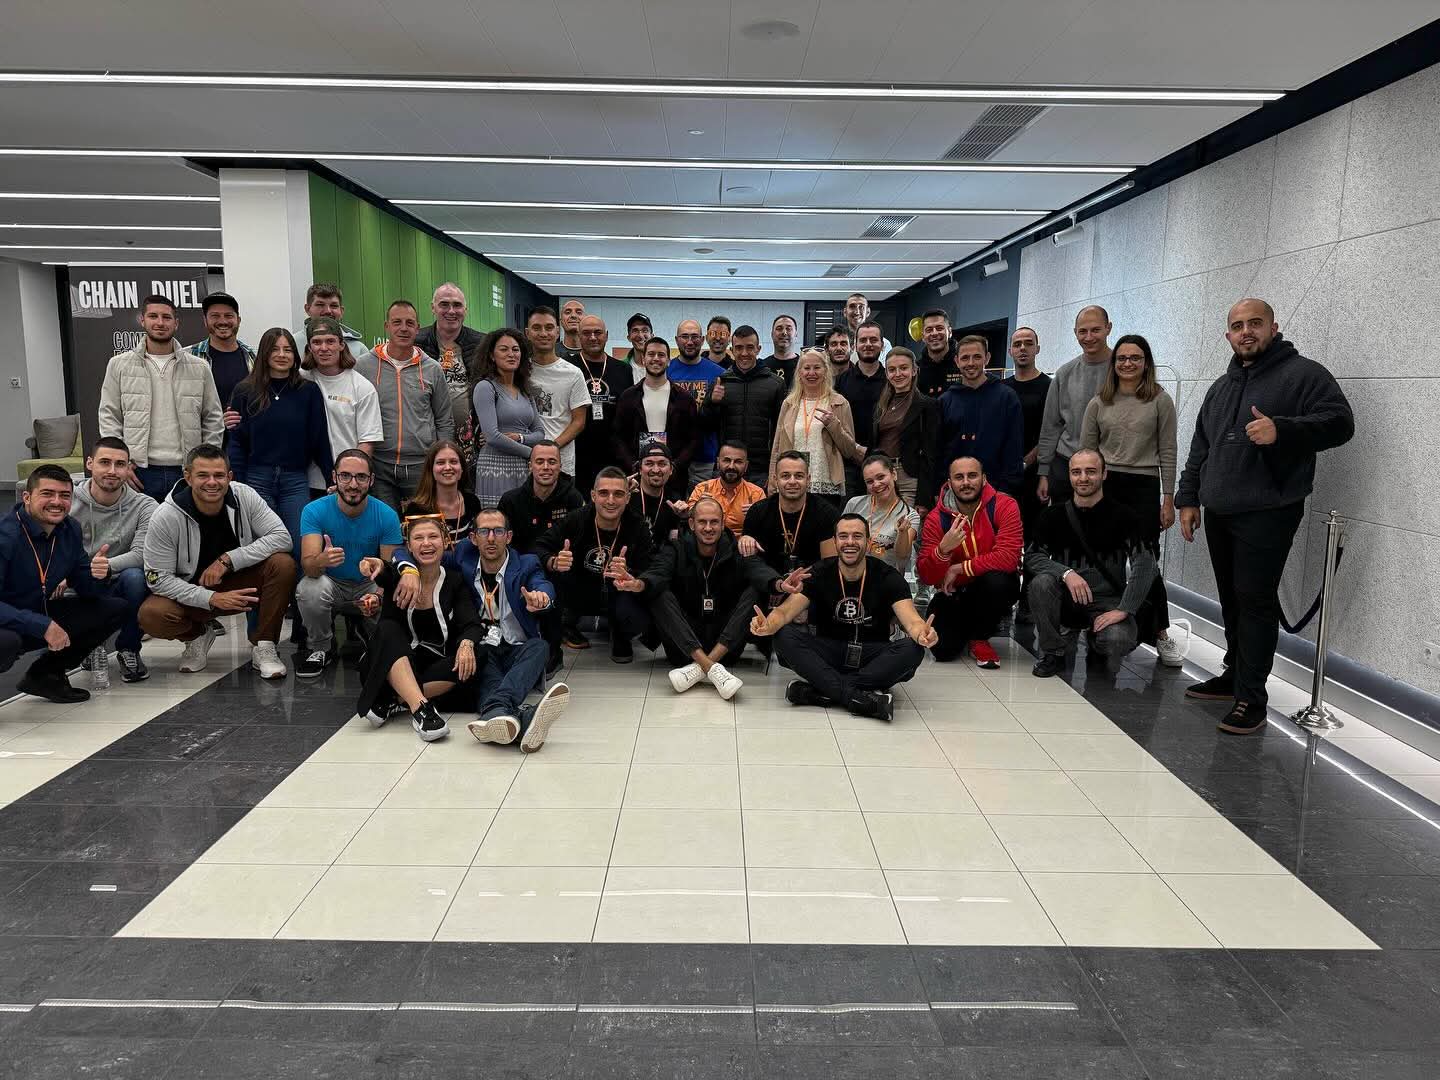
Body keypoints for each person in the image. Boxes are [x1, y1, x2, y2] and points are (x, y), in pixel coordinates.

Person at [1177, 298, 1353, 734]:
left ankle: (1251, 697)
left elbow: (1341, 423)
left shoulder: (1304, 375)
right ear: (1228, 335)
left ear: (1274, 328)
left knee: (1255, 601)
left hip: (1269, 510)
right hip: (1220, 510)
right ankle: (1234, 674)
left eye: (1255, 323)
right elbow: (1201, 447)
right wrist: (1188, 498)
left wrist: (1283, 429)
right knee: (1232, 599)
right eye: (1238, 326)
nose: (1246, 332)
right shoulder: (1221, 387)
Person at [753, 514, 935, 721]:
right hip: (828, 651)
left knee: (913, 648)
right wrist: (768, 624)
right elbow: (785, 612)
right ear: (835, 541)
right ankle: (859, 697)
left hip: (871, 654)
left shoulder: (887, 576)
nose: (850, 542)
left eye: (857, 536)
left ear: (868, 542)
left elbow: (912, 621)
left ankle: (822, 689)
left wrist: (923, 633)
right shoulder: (819, 572)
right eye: (843, 536)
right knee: (782, 635)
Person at [140, 444, 297, 679]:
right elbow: (158, 579)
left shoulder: (244, 495)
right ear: (188, 477)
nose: (212, 482)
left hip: (241, 585)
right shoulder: (166, 515)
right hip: (192, 591)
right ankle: (197, 636)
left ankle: (265, 646)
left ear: (229, 476)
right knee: (152, 615)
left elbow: (282, 537)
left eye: (219, 475)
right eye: (203, 475)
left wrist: (228, 560)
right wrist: (211, 598)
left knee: (282, 564)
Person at [1080, 333, 1183, 665]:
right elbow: (1086, 455)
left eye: (1135, 358)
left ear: (1146, 362)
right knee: (1103, 558)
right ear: (1114, 363)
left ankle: (1161, 633)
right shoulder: (1099, 402)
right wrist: (1085, 495)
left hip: (1143, 486)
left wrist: (1168, 498)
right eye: (1122, 358)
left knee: (1146, 562)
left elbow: (1168, 451)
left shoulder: (1160, 400)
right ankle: (1099, 623)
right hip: (1106, 486)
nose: (1127, 363)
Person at [614, 496, 777, 700]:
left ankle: (701, 667)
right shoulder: (675, 547)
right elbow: (658, 572)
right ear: (691, 524)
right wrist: (637, 584)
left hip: (726, 648)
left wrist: (779, 584)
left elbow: (758, 569)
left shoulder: (735, 549)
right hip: (682, 648)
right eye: (702, 522)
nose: (708, 528)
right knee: (659, 593)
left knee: (756, 590)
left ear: (723, 524)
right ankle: (709, 666)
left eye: (714, 522)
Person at [1026, 450, 1158, 679]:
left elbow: (1146, 564)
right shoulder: (1053, 515)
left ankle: (1099, 643)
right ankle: (1053, 651)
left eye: (1091, 472)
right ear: (1069, 475)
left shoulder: (1125, 516)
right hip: (1066, 597)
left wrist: (1124, 609)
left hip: (1107, 601)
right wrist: (1066, 573)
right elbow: (1033, 556)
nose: (1083, 478)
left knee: (1117, 639)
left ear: (1104, 474)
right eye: (1076, 472)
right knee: (1040, 584)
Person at [0, 466, 127, 703]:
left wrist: (98, 575)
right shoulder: (5, 536)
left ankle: (46, 676)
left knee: (114, 609)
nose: (57, 502)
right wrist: (42, 625)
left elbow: (87, 589)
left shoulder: (69, 530)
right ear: (27, 497)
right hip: (7, 621)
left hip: (37, 612)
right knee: (6, 642)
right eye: (47, 493)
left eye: (64, 495)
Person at [353, 516, 477, 743]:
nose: (426, 543)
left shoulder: (455, 580)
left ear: (445, 542)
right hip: (391, 661)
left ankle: (392, 698)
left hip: (432, 666)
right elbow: (385, 569)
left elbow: (471, 623)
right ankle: (421, 710)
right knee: (388, 629)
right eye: (418, 538)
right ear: (409, 547)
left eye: (433, 537)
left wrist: (467, 644)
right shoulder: (398, 575)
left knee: (476, 654)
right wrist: (376, 566)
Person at [455, 509, 570, 752]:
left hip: (517, 649)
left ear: (508, 536)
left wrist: (542, 598)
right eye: (484, 531)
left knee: (540, 647)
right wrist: (406, 568)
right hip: (484, 650)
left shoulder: (526, 564)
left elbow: (543, 584)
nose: (491, 538)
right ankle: (523, 717)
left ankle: (495, 712)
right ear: (473, 538)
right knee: (483, 658)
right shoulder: (462, 559)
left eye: (498, 531)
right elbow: (416, 554)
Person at [227, 328, 335, 573]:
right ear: (264, 353)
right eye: (275, 349)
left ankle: (301, 597)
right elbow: (237, 443)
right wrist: (238, 486)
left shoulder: (308, 391)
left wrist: (332, 478)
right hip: (257, 479)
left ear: (295, 355)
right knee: (265, 547)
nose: (282, 355)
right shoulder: (245, 390)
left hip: (295, 480)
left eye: (288, 349)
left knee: (301, 545)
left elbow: (319, 440)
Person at [99, 294, 224, 502]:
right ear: (142, 320)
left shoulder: (199, 367)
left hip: (186, 471)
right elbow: (109, 417)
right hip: (139, 472)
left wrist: (205, 465)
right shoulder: (119, 365)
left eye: (166, 317)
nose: (160, 322)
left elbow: (213, 418)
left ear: (176, 323)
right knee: (143, 524)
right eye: (153, 316)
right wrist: (120, 464)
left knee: (187, 524)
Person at [294, 449, 403, 676]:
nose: (353, 484)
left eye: (361, 477)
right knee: (309, 588)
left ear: (371, 480)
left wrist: (377, 596)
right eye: (345, 476)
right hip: (332, 583)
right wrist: (322, 559)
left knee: (396, 595)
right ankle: (321, 647)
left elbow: (389, 572)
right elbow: (309, 568)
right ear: (334, 477)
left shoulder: (387, 515)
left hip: (369, 584)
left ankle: (373, 640)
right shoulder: (314, 510)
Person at [534, 467, 654, 662]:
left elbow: (650, 568)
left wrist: (630, 573)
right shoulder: (576, 519)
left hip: (619, 593)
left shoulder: (638, 525)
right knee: (551, 577)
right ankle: (561, 633)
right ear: (593, 496)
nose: (610, 501)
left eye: (618, 494)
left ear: (627, 498)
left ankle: (621, 634)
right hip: (580, 589)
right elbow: (539, 546)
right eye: (604, 493)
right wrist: (553, 561)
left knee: (638, 597)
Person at [916, 456, 1023, 668]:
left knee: (999, 582)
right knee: (943, 650)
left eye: (972, 476)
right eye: (959, 477)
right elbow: (926, 576)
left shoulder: (1004, 505)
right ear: (949, 483)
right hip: (954, 593)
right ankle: (968, 628)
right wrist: (942, 551)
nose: (966, 482)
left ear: (984, 479)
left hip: (989, 587)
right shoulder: (936, 518)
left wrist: (960, 568)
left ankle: (979, 637)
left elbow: (1009, 557)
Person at [72, 437, 156, 684]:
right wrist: (80, 572)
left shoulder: (145, 505)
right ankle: (88, 645)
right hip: (77, 581)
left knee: (136, 578)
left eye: (120, 464)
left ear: (129, 468)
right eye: (104, 462)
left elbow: (141, 554)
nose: (112, 470)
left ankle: (129, 649)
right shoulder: (69, 500)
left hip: (118, 579)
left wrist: (105, 566)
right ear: (90, 463)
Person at [362, 300, 455, 509]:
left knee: (424, 523)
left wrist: (443, 458)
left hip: (421, 465)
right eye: (397, 322)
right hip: (380, 465)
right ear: (387, 326)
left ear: (417, 328)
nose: (403, 328)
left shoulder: (432, 369)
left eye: (409, 323)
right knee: (387, 525)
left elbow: (444, 420)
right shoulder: (364, 366)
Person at [299, 315, 384, 496]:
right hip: (305, 481)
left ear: (341, 345)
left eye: (330, 341)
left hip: (347, 483)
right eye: (317, 342)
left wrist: (349, 479)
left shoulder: (362, 387)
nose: (324, 348)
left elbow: (367, 442)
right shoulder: (299, 380)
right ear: (309, 348)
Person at [1037, 305, 1112, 506]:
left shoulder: (1123, 370)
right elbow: (1051, 426)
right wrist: (1044, 472)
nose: (1089, 337)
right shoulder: (1064, 373)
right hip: (1065, 465)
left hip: (1111, 467)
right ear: (1075, 333)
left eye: (1095, 330)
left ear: (1108, 328)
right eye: (1082, 331)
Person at [937, 334, 1025, 497]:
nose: (971, 363)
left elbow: (1014, 447)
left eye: (977, 357)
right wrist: (941, 487)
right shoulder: (945, 401)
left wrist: (1007, 489)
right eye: (965, 358)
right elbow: (938, 451)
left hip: (997, 490)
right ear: (957, 361)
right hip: (954, 492)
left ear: (987, 358)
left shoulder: (1007, 397)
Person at [768, 350, 859, 507]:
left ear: (826, 371)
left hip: (827, 486)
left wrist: (833, 425)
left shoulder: (839, 403)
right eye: (806, 368)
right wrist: (772, 478)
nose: (811, 373)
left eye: (817, 368)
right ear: (799, 373)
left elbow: (849, 450)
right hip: (792, 484)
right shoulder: (789, 404)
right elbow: (777, 446)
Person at [1004, 325, 1052, 619]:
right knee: (1005, 539)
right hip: (1004, 476)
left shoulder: (1049, 387)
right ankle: (1004, 597)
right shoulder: (1002, 388)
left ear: (1037, 348)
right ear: (1011, 350)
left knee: (1034, 540)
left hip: (1035, 474)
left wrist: (1028, 461)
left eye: (1028, 343)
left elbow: (1050, 431)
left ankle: (1028, 601)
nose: (1022, 348)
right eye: (1017, 344)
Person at [470, 327, 546, 509]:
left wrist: (520, 438)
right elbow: (492, 437)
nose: (511, 354)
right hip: (495, 466)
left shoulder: (526, 391)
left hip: (523, 467)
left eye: (515, 349)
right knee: (497, 521)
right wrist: (532, 454)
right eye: (504, 349)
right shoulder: (485, 387)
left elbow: (540, 433)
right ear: (491, 355)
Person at [415, 282, 485, 473]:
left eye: (457, 305)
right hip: (426, 438)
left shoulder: (482, 344)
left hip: (470, 440)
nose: (451, 311)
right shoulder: (416, 343)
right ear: (433, 308)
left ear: (465, 310)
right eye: (444, 304)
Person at [612, 336, 700, 486]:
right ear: (643, 359)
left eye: (661, 355)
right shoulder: (628, 397)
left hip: (674, 479)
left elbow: (693, 439)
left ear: (669, 361)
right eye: (651, 354)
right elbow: (618, 437)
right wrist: (633, 465)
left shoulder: (684, 399)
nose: (656, 359)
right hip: (637, 477)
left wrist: (675, 466)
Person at [741, 451, 839, 583]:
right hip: (768, 582)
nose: (792, 481)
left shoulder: (826, 513)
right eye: (785, 476)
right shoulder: (758, 511)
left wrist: (797, 581)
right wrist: (776, 584)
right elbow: (751, 563)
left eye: (799, 476)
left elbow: (829, 562)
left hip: (812, 583)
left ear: (808, 479)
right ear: (775, 480)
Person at [709, 324, 784, 486]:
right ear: (732, 350)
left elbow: (781, 431)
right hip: (727, 467)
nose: (744, 353)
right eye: (739, 348)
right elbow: (706, 425)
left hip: (761, 470)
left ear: (758, 349)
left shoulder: (775, 384)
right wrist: (712, 403)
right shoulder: (720, 382)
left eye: (750, 347)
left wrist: (775, 468)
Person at [523, 306, 591, 478]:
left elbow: (579, 422)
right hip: (523, 459)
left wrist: (550, 448)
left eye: (549, 327)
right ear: (527, 333)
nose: (543, 333)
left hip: (562, 463)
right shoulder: (519, 371)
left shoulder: (573, 373)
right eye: (537, 328)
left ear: (558, 332)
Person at [571, 314, 635, 493]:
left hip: (614, 456)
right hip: (577, 455)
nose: (593, 337)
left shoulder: (623, 369)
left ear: (606, 335)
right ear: (579, 336)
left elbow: (628, 416)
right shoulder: (569, 367)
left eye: (598, 332)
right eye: (586, 333)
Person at [871, 348, 940, 512]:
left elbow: (931, 454)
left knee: (905, 525)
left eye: (903, 368)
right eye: (892, 369)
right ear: (886, 373)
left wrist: (924, 498)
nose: (898, 374)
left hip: (908, 477)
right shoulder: (881, 405)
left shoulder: (927, 405)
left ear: (914, 370)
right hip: (881, 474)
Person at [498, 440, 583, 555]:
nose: (546, 467)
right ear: (530, 466)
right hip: (521, 563)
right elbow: (502, 544)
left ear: (560, 467)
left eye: (552, 462)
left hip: (559, 563)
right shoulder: (510, 501)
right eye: (539, 462)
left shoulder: (574, 499)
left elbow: (579, 542)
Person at [669, 319, 727, 484]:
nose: (689, 342)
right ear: (676, 340)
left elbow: (723, 419)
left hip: (705, 456)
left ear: (702, 340)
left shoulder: (719, 373)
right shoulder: (666, 371)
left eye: (695, 337)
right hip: (672, 455)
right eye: (684, 336)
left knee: (702, 500)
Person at [836, 319, 889, 494]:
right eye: (863, 340)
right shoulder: (840, 381)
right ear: (855, 345)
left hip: (884, 464)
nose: (868, 344)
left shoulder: (891, 381)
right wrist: (854, 450)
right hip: (848, 465)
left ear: (882, 345)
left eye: (873, 340)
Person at [845, 454, 920, 573]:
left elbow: (902, 556)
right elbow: (840, 540)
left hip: (887, 577)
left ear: (894, 474)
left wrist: (902, 532)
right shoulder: (854, 504)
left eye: (881, 477)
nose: (876, 484)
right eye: (869, 481)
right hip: (854, 573)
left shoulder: (909, 515)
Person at [400, 440, 482, 547]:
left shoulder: (472, 502)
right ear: (431, 469)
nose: (447, 467)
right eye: (440, 462)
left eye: (453, 462)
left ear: (462, 469)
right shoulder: (416, 509)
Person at [189, 292, 254, 415]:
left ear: (238, 320)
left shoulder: (254, 357)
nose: (222, 321)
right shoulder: (188, 357)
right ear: (205, 320)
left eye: (228, 315)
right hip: (206, 428)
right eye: (215, 316)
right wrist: (217, 422)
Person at [689, 442, 765, 538]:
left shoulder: (757, 494)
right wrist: (699, 507)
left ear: (746, 466)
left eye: (738, 462)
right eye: (727, 460)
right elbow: (689, 519)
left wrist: (756, 516)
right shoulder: (702, 489)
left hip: (742, 545)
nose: (731, 466)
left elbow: (766, 528)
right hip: (708, 543)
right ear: (718, 463)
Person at [627, 440, 689, 549]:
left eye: (662, 464)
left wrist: (683, 519)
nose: (656, 470)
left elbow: (674, 544)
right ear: (640, 469)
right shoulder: (627, 495)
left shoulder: (674, 501)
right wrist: (619, 493)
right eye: (649, 464)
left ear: (671, 469)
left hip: (661, 557)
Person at [299, 282, 370, 362]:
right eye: (320, 305)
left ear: (341, 311)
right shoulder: (292, 344)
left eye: (334, 306)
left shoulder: (359, 349)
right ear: (307, 309)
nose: (328, 311)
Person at [917, 309, 960, 399]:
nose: (934, 333)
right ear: (923, 336)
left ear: (950, 332)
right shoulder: (916, 369)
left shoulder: (963, 364)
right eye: (929, 330)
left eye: (939, 328)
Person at [843, 293, 891, 363]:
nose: (857, 312)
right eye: (852, 306)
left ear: (868, 312)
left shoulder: (884, 344)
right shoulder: (836, 343)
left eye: (861, 307)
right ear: (845, 312)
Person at [764, 314, 801, 386]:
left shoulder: (804, 366)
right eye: (779, 328)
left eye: (789, 329)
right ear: (772, 334)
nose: (784, 333)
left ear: (796, 334)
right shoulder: (762, 367)